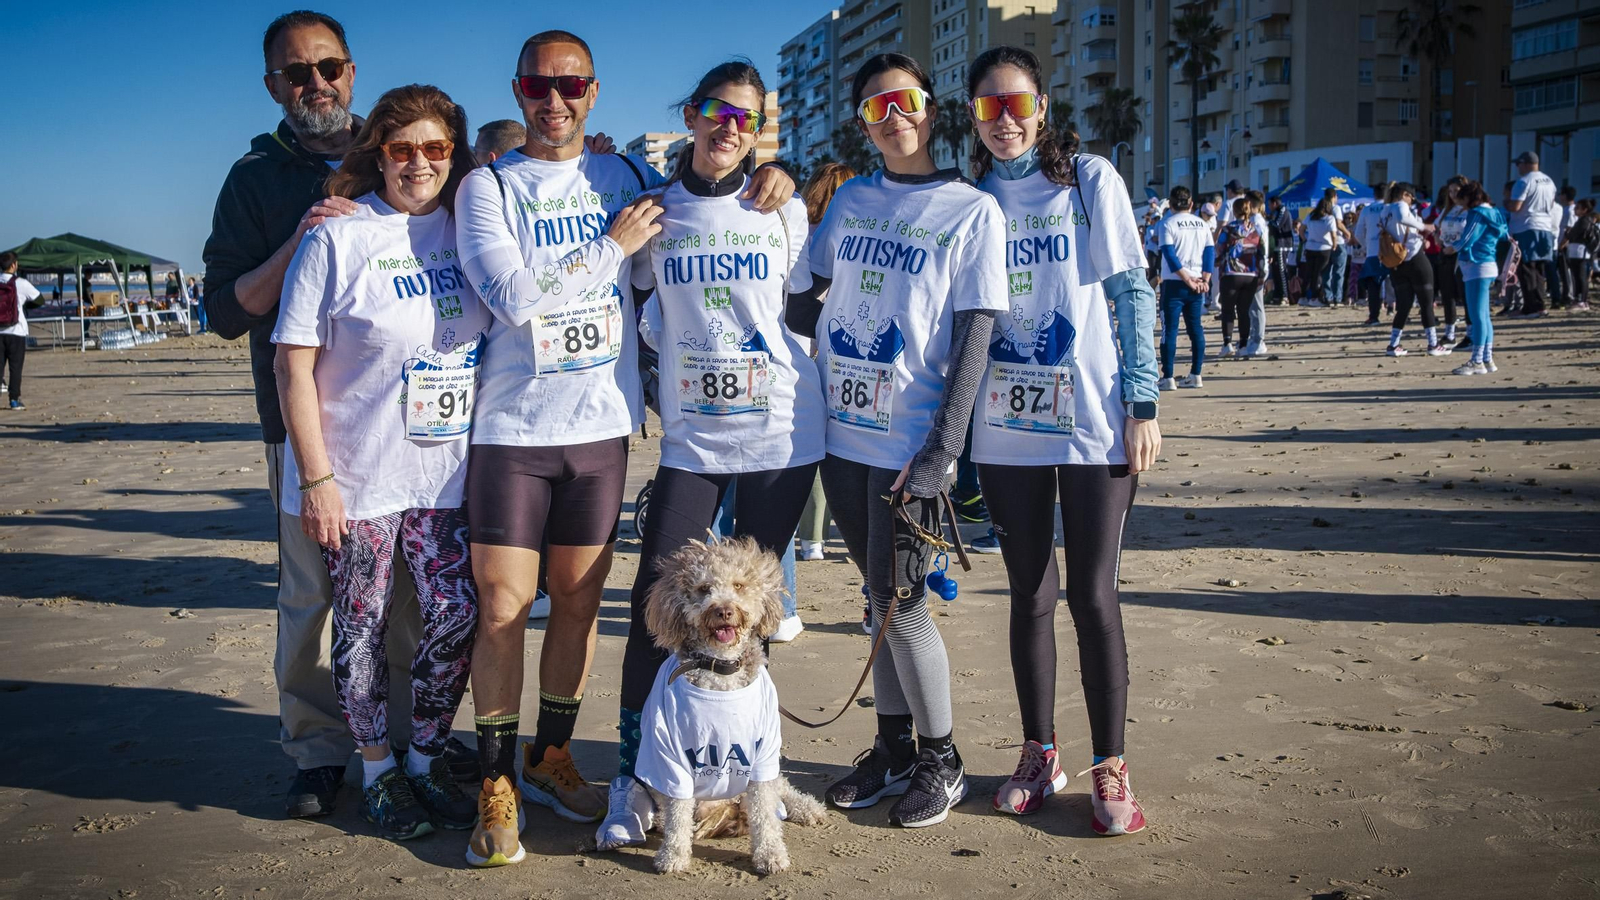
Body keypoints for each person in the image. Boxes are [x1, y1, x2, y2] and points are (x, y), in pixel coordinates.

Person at [453, 29, 795, 867]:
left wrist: (771, 175)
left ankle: (552, 756)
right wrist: (609, 247)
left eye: (572, 87)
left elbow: (704, 190)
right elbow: (508, 296)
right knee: (503, 608)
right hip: (513, 430)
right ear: (520, 89)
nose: (556, 101)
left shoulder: (625, 177)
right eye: (540, 85)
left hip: (602, 428)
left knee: (576, 605)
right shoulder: (487, 186)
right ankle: (497, 778)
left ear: (594, 94)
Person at [201, 10, 457, 821]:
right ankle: (319, 752)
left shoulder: (397, 153)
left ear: (352, 72)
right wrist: (301, 239)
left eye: (329, 67)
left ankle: (412, 744)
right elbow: (225, 310)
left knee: (413, 604)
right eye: (296, 72)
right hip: (308, 432)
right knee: (314, 603)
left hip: (422, 446)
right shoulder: (254, 177)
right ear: (274, 85)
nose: (315, 83)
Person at [594, 61, 822, 851]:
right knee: (651, 607)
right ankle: (629, 779)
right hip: (694, 439)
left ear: (759, 132)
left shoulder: (782, 209)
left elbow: (814, 305)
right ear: (690, 116)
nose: (730, 127)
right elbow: (634, 313)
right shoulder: (655, 215)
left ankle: (752, 772)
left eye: (747, 118)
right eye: (716, 112)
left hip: (784, 435)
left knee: (750, 614)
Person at [785, 51, 1006, 829]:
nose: (894, 118)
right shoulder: (848, 203)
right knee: (876, 596)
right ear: (861, 122)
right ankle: (892, 748)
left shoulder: (972, 210)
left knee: (904, 601)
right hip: (843, 435)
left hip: (911, 440)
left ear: (931, 107)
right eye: (875, 109)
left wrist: (945, 450)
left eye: (904, 101)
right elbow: (805, 300)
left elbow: (977, 332)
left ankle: (942, 761)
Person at [274, 84, 487, 842]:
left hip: (447, 478)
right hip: (359, 479)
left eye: (436, 149)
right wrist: (317, 480)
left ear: (454, 155)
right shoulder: (339, 238)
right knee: (359, 626)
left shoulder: (471, 231)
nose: (420, 163)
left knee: (457, 615)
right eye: (403, 149)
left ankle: (425, 756)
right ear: (379, 155)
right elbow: (292, 367)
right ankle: (375, 769)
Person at [961, 46, 1157, 834]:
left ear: (1043, 106)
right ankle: (1039, 752)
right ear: (972, 118)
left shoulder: (1086, 179)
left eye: (1017, 105)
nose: (1005, 121)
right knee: (1030, 595)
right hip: (1005, 427)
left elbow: (1130, 287)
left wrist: (1142, 400)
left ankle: (1112, 768)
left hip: (1091, 422)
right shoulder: (972, 199)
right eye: (988, 108)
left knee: (1092, 596)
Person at [795, 163, 853, 563]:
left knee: (810, 448)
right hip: (836, 353)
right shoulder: (852, 230)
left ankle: (810, 536)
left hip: (799, 348)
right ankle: (821, 535)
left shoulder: (803, 232)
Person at [1445, 181, 1508, 375]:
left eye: (1462, 198)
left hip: (1476, 265)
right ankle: (1487, 359)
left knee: (1477, 316)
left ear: (1469, 198)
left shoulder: (1477, 213)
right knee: (1484, 316)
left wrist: (1452, 247)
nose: (1461, 203)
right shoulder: (1495, 212)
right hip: (1487, 264)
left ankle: (1477, 361)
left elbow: (1468, 237)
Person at [1156, 186, 1212, 389]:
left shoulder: (1166, 223)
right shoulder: (1202, 224)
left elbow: (1170, 256)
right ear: (1191, 204)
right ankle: (1196, 373)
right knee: (1195, 328)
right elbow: (1209, 254)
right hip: (1197, 281)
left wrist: (1187, 279)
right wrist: (1205, 279)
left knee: (1169, 330)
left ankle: (1168, 376)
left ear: (1170, 204)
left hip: (1174, 283)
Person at [1506, 151, 1559, 317]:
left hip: (1526, 227)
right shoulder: (1549, 181)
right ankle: (1541, 304)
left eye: (1519, 164)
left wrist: (1506, 204)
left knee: (1526, 268)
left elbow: (1516, 207)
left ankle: (1531, 307)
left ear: (1526, 163)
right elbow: (1551, 204)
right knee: (1539, 269)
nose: (1517, 167)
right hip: (1545, 227)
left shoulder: (1523, 182)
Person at [1216, 198, 1265, 356]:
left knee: (1228, 310)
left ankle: (1227, 343)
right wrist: (1262, 272)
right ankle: (1243, 346)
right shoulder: (1255, 230)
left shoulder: (1228, 229)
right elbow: (1261, 252)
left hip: (1231, 272)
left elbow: (1220, 248)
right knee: (1244, 311)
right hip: (1251, 274)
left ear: (1235, 212)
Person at [1430, 178, 1469, 347]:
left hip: (1462, 255)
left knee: (1465, 295)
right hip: (1445, 254)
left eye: (1457, 190)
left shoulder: (1469, 209)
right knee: (1447, 295)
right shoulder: (1448, 209)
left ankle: (1471, 333)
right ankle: (1449, 333)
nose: (1453, 195)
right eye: (1451, 191)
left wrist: (1455, 247)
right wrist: (1438, 238)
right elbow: (1435, 227)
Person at [0, 251, 39, 410]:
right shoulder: (20, 283)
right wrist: (23, 307)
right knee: (15, 367)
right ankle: (14, 400)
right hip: (17, 330)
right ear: (14, 265)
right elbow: (39, 299)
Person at [1298, 189, 1348, 307]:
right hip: (1324, 248)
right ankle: (1317, 297)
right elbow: (1333, 234)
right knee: (1319, 273)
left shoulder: (1311, 215)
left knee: (1308, 273)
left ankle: (1303, 297)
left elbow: (1301, 229)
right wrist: (1334, 244)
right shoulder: (1329, 217)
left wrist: (1305, 239)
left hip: (1310, 247)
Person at [1354, 184, 1391, 325]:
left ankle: (1374, 316)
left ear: (1374, 195)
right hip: (1391, 251)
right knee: (1395, 283)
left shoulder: (1367, 210)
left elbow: (1358, 233)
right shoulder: (1391, 208)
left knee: (1373, 285)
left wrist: (1366, 245)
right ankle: (1397, 312)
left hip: (1373, 250)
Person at [1558, 198, 1595, 312]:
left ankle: (1582, 301)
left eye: (1578, 208)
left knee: (1580, 277)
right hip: (1576, 252)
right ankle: (1579, 299)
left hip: (1580, 252)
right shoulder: (1582, 220)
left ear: (1584, 210)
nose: (1575, 209)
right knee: (1577, 276)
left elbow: (1571, 235)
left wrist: (1563, 242)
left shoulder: (1584, 221)